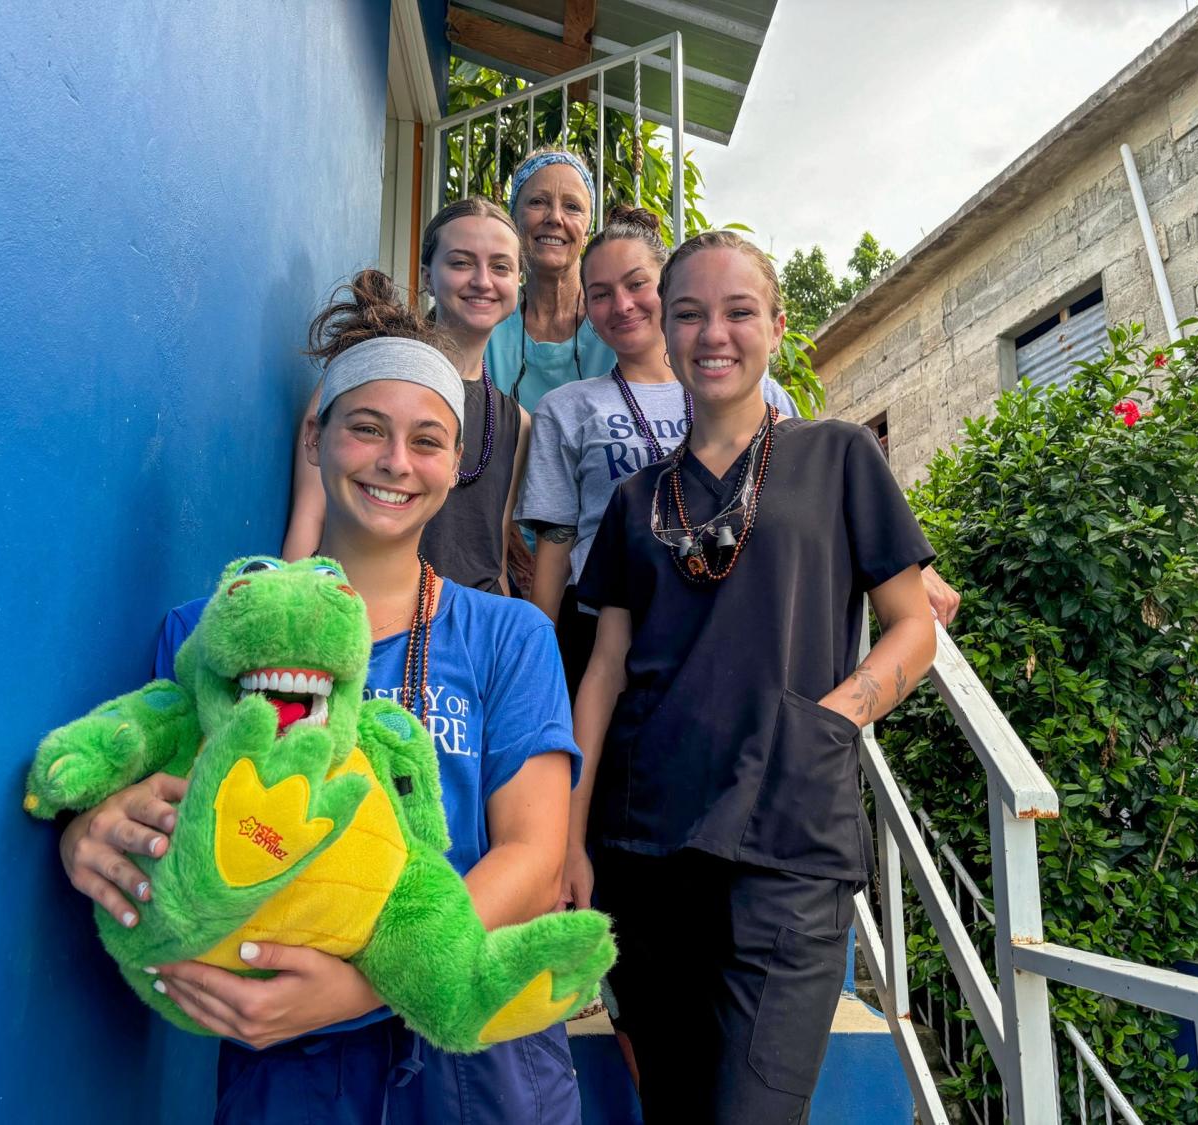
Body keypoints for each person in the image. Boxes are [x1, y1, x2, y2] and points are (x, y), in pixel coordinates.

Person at [62, 272, 585, 1124]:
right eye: (367, 429)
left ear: (456, 465)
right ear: (317, 438)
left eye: (426, 440)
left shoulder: (508, 637)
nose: (394, 462)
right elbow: (159, 801)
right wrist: (90, 835)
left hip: (479, 1066)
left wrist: (357, 988)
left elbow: (533, 860)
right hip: (287, 1070)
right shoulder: (212, 636)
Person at [566, 231, 939, 1123]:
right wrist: (570, 839)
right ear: (665, 326)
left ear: (776, 325)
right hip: (643, 843)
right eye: (688, 312)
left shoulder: (842, 457)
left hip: (790, 843)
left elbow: (914, 625)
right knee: (677, 1109)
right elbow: (606, 671)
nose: (712, 333)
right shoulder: (634, 501)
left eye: (738, 311)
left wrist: (835, 719)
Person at [517, 206, 797, 693]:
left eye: (635, 284)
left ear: (668, 293)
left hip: (736, 618)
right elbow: (556, 548)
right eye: (600, 294)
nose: (621, 305)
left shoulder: (758, 393)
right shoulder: (565, 409)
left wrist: (901, 574)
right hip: (607, 634)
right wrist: (535, 660)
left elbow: (807, 498)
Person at [283, 201, 530, 596]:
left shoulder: (515, 419)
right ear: (428, 277)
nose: (483, 281)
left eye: (500, 266)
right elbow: (308, 522)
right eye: (462, 263)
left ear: (518, 284)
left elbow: (492, 552)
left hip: (471, 633)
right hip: (364, 621)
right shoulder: (362, 375)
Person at [485, 149, 616, 412]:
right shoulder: (488, 322)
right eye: (537, 202)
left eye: (572, 207)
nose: (555, 218)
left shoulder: (616, 320)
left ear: (588, 230)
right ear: (514, 220)